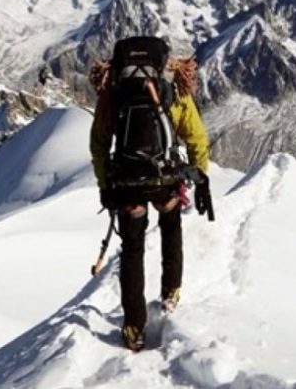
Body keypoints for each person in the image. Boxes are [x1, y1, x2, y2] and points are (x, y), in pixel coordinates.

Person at [89, 36, 210, 352]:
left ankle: (133, 329)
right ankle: (171, 293)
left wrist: (105, 185)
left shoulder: (114, 89)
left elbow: (99, 143)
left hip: (127, 181)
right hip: (164, 179)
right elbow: (195, 136)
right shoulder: (173, 87)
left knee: (132, 250)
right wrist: (201, 176)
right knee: (171, 226)